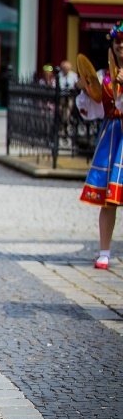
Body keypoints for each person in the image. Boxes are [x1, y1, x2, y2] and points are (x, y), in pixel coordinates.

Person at [77, 22, 123, 269]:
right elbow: (91, 111)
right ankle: (104, 251)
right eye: (118, 41)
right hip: (112, 137)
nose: (121, 45)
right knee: (109, 199)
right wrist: (86, 91)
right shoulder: (105, 77)